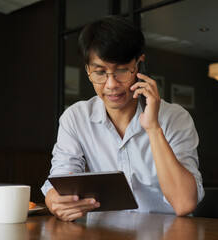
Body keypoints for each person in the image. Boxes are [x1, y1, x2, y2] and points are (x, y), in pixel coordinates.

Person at [41, 15, 204, 221]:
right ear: (88, 70)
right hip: (103, 234)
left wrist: (153, 128)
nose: (111, 84)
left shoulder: (175, 118)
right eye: (100, 72)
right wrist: (54, 200)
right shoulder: (75, 118)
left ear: (139, 64)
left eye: (121, 70)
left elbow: (184, 204)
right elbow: (60, 181)